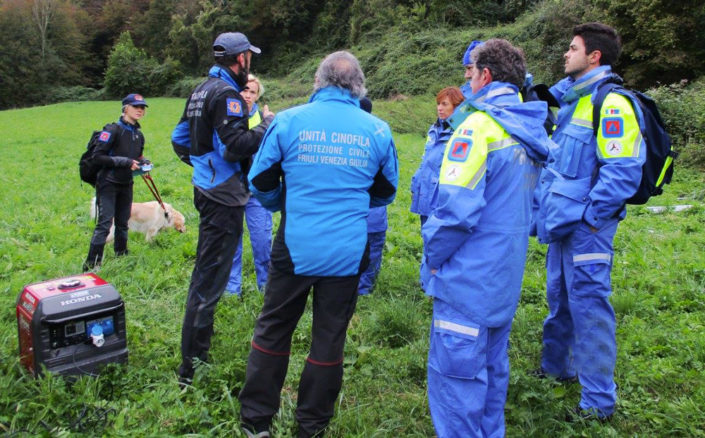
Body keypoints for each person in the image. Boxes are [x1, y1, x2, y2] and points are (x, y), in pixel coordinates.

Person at [238, 51, 399, 438]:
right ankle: (310, 426)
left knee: (274, 328)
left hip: (295, 245)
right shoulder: (377, 129)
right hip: (346, 250)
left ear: (318, 81)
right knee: (329, 337)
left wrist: (283, 204)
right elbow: (386, 190)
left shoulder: (289, 121)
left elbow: (260, 180)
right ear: (359, 85)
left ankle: (256, 421)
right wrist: (353, 204)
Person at [422, 39, 549, 437]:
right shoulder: (531, 130)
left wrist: (433, 257)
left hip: (466, 283)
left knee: (456, 384)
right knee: (492, 375)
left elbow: (455, 212)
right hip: (502, 280)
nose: (468, 80)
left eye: (471, 72)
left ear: (485, 76)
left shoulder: (478, 126)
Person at [533, 23, 646, 421]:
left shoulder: (611, 103)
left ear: (594, 56)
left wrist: (590, 220)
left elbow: (623, 171)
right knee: (559, 299)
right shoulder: (573, 101)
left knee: (590, 308)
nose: (566, 54)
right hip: (563, 224)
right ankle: (555, 367)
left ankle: (598, 404)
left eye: (572, 48)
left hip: (586, 229)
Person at [172, 31, 274, 386]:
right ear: (240, 58)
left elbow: (179, 139)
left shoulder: (200, 90)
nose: (250, 63)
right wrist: (265, 126)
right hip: (224, 195)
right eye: (249, 56)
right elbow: (236, 146)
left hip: (206, 188)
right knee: (209, 277)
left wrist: (202, 168)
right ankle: (191, 367)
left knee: (209, 269)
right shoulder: (228, 94)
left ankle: (198, 348)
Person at [83, 93, 148, 270]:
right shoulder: (112, 130)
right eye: (136, 107)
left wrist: (143, 163)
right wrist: (125, 162)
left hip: (126, 183)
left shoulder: (139, 135)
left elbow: (137, 156)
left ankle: (121, 255)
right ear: (125, 108)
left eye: (142, 107)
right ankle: (92, 264)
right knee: (104, 224)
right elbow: (98, 157)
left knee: (123, 222)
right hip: (108, 183)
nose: (140, 110)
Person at [226, 74, 273, 296]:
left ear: (257, 96)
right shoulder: (228, 117)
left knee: (263, 241)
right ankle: (231, 289)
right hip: (232, 190)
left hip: (256, 191)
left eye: (252, 92)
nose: (247, 95)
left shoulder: (265, 120)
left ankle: (266, 286)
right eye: (243, 90)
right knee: (232, 242)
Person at [410, 86, 464, 227]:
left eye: (444, 104)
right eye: (438, 104)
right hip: (425, 193)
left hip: (442, 198)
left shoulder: (461, 133)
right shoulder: (433, 129)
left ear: (457, 107)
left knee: (439, 239)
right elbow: (425, 160)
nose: (439, 108)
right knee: (426, 235)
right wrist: (415, 184)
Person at [357, 96, 387, 296]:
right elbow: (389, 179)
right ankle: (364, 287)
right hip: (374, 208)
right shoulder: (379, 135)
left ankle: (358, 285)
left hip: (351, 211)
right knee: (373, 247)